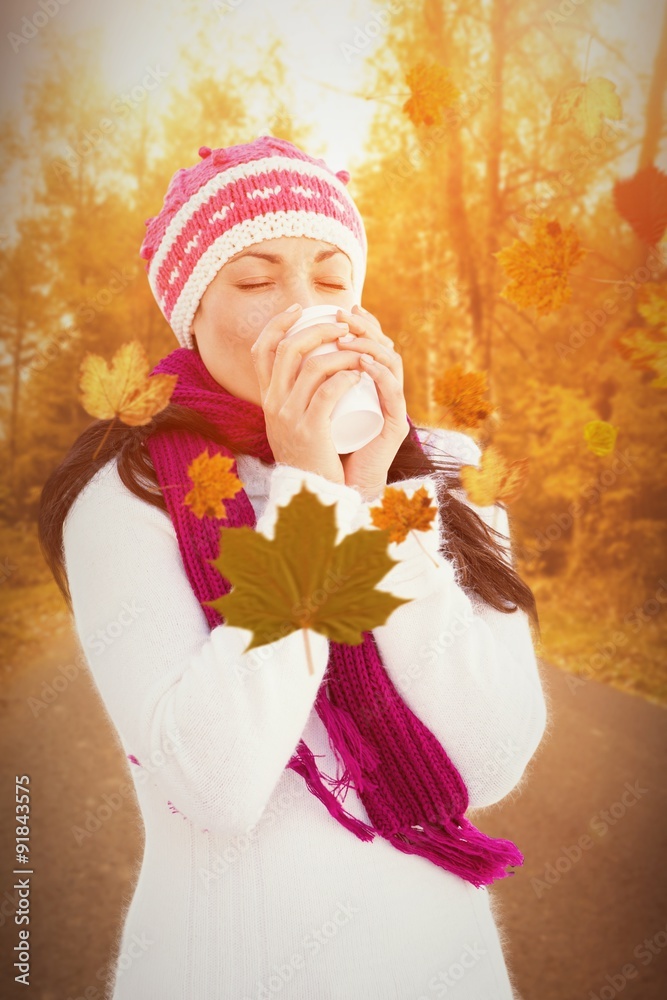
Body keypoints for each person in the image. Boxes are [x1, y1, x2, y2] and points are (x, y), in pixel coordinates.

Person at [39, 136, 550, 999]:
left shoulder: (445, 472)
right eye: (253, 279)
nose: (300, 308)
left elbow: (489, 760)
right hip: (226, 966)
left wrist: (383, 506)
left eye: (330, 277)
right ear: (192, 312)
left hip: (437, 964)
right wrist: (309, 499)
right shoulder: (127, 493)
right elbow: (215, 786)